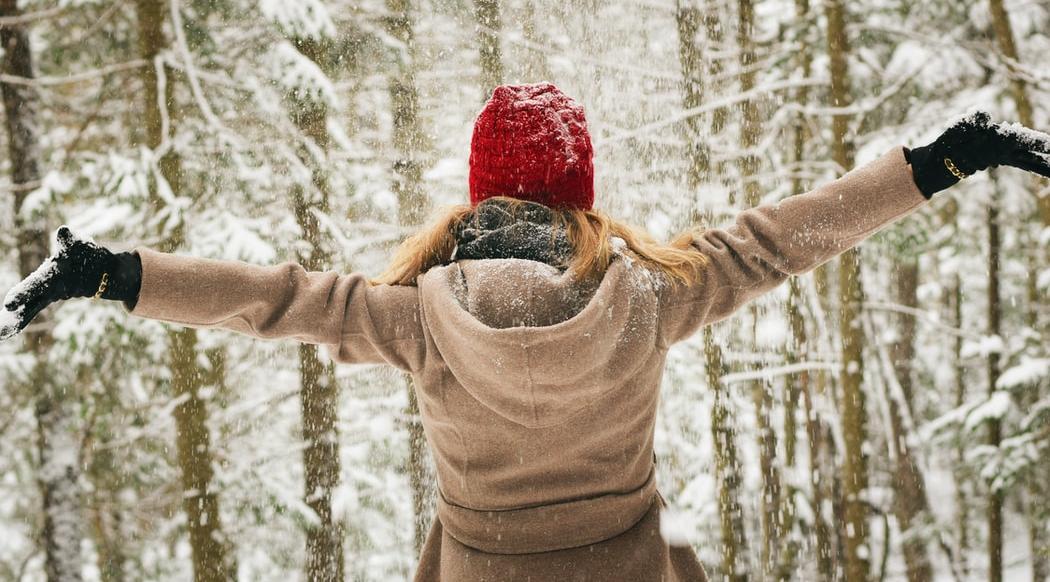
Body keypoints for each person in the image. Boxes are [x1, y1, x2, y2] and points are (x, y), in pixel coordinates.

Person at [2, 83, 1049, 581]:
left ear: (474, 197)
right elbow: (783, 240)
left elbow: (273, 299)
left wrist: (116, 274)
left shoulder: (417, 319)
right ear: (580, 198)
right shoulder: (650, 295)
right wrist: (941, 161)